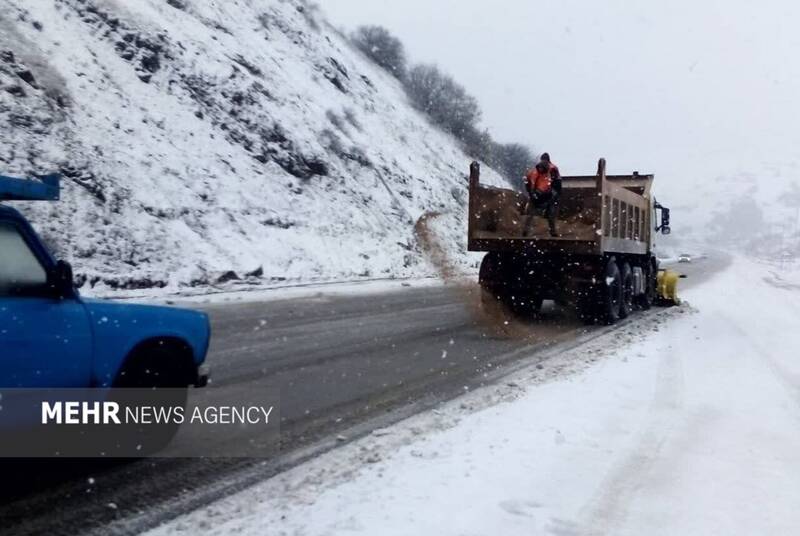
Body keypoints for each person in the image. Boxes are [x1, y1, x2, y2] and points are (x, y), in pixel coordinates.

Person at [523, 161, 559, 237]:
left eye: (542, 168)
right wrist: (527, 184)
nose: (540, 169)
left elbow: (544, 186)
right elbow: (527, 177)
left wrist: (537, 193)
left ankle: (553, 232)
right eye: (539, 168)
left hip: (546, 197)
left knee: (550, 215)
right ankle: (525, 231)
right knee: (529, 214)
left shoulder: (547, 177)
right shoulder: (533, 172)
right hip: (534, 197)